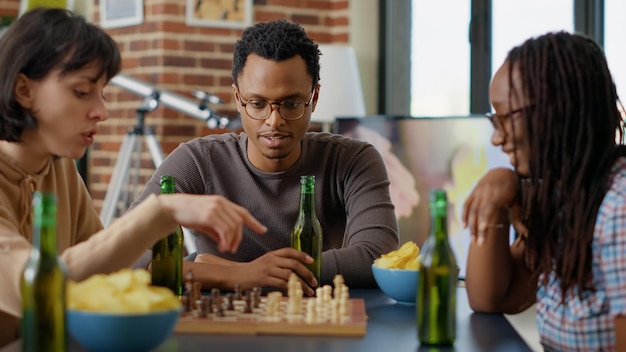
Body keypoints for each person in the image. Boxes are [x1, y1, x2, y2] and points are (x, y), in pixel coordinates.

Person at [0, 8, 267, 348]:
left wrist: (212, 272)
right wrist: (161, 211)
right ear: (24, 90)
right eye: (82, 92)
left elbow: (100, 279)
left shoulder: (58, 166)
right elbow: (34, 289)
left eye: (102, 92)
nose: (102, 111)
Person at [131, 19, 399, 296]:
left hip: (318, 329)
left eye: (291, 104)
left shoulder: (354, 160)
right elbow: (128, 259)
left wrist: (221, 270)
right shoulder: (197, 161)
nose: (274, 121)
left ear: (314, 98)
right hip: (219, 330)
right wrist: (240, 275)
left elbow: (378, 257)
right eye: (258, 104)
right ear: (237, 98)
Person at [463, 31, 626, 351]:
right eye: (495, 121)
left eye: (507, 118)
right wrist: (498, 194)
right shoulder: (570, 199)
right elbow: (490, 299)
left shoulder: (618, 208)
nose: (497, 138)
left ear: (560, 109)